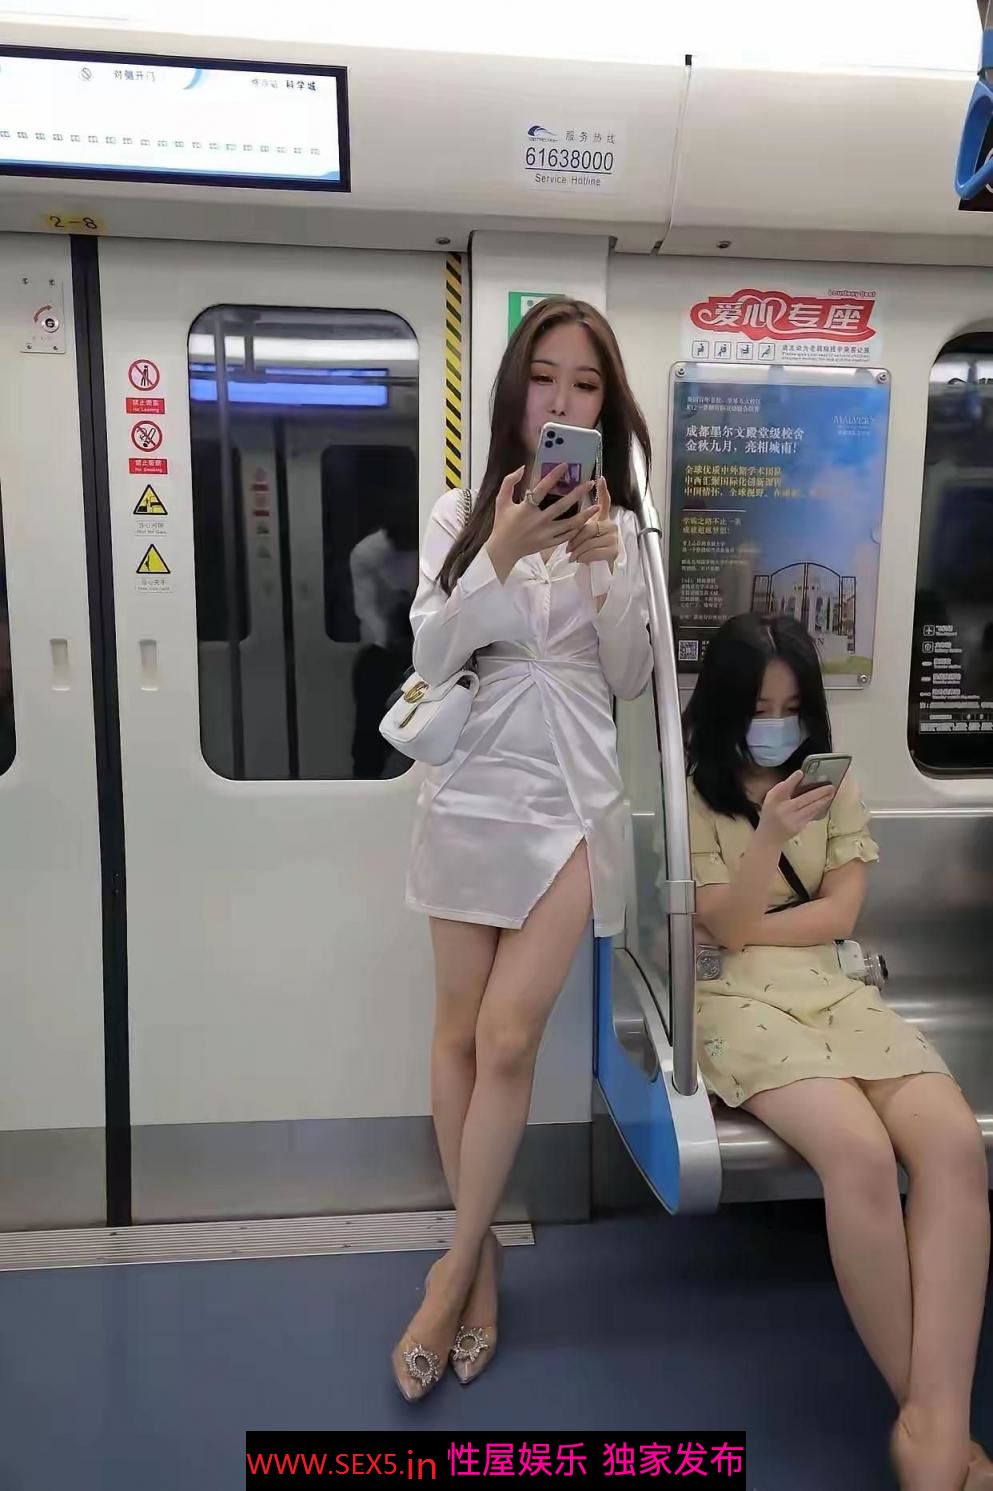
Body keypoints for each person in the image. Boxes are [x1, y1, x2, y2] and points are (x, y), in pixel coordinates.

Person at [391, 297, 653, 1400]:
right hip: (474, 791)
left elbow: (630, 674)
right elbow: (430, 650)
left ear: (606, 407)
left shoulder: (623, 525)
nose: (562, 399)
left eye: (585, 385)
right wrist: (497, 551)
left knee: (508, 1039)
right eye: (546, 377)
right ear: (516, 390)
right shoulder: (462, 512)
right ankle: (484, 1261)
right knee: (457, 1035)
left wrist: (604, 567)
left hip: (574, 798)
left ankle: (450, 1271)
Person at [684, 612, 991, 1491]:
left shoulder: (835, 783)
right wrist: (769, 839)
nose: (775, 724)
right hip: (735, 997)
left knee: (952, 1145)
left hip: (835, 983)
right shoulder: (695, 795)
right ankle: (933, 1431)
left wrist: (758, 920)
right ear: (728, 707)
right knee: (855, 1152)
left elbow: (841, 913)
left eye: (790, 707)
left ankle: (932, 1422)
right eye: (759, 708)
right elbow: (722, 927)